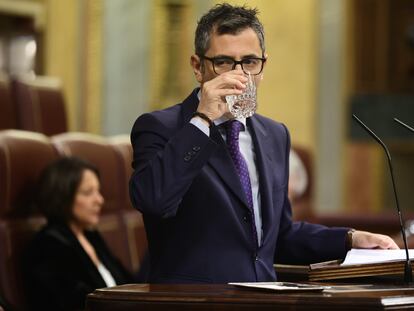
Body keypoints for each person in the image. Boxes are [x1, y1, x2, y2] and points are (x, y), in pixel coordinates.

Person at [129, 3, 398, 283]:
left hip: (264, 298)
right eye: (223, 62)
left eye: (249, 62)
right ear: (198, 67)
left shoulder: (274, 134)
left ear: (263, 66)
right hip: (194, 301)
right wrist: (203, 120)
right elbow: (153, 201)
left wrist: (350, 239)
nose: (240, 75)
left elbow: (278, 236)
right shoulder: (161, 127)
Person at [23, 157, 134, 311]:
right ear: (63, 197)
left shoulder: (91, 235)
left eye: (98, 191)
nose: (100, 200)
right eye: (88, 193)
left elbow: (129, 285)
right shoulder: (47, 246)